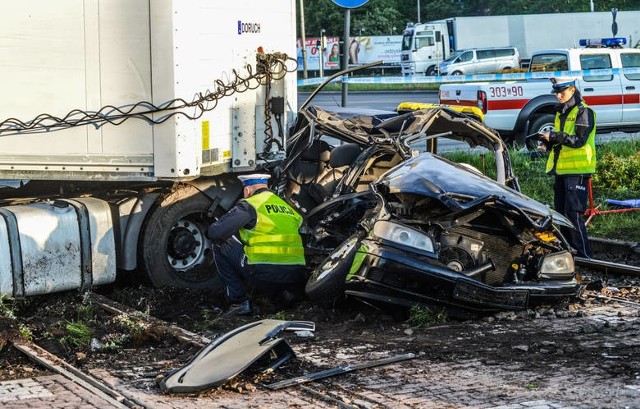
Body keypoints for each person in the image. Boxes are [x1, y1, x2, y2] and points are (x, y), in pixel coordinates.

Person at [206, 173, 307, 315]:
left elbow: (215, 233)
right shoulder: (287, 207)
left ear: (247, 191)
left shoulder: (250, 204)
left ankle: (239, 302)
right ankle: (283, 296)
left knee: (220, 245)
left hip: (263, 272)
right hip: (295, 274)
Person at [538, 77, 596, 258]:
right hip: (561, 171)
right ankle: (569, 255)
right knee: (561, 215)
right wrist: (547, 144)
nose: (558, 95)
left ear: (573, 90)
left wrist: (554, 136)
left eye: (562, 91)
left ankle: (585, 256)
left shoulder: (583, 112)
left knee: (573, 215)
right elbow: (562, 141)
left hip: (577, 171)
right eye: (556, 92)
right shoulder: (560, 112)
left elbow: (578, 141)